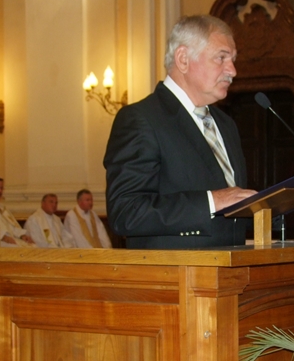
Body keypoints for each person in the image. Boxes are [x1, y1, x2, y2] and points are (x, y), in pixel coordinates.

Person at [103, 15, 256, 249]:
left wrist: (273, 207)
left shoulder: (226, 124)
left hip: (230, 265)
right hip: (174, 269)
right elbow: (126, 212)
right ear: (183, 59)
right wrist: (211, 202)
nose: (232, 71)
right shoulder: (141, 119)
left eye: (233, 60)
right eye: (221, 57)